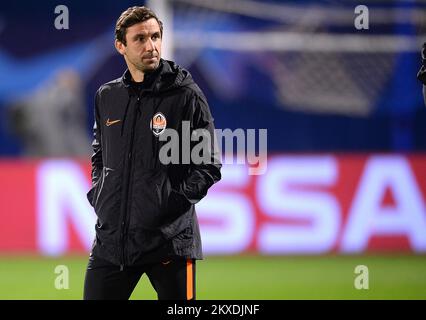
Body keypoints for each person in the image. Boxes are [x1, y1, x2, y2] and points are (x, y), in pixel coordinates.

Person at [83, 6, 221, 300]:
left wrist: (170, 207)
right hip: (113, 241)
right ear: (121, 45)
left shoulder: (185, 94)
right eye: (140, 39)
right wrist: (101, 195)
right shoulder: (107, 96)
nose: (151, 45)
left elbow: (208, 164)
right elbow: (100, 154)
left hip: (168, 243)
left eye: (155, 36)